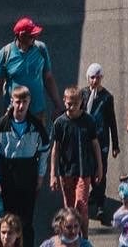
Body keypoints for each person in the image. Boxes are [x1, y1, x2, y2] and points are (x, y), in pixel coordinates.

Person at [0, 87, 50, 247]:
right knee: (5, 220)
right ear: (11, 102)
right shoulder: (2, 125)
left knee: (26, 222)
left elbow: (44, 151)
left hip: (28, 179)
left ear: (29, 103)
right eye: (18, 102)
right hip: (7, 180)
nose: (21, 106)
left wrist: (41, 176)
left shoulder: (36, 126)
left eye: (24, 102)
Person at [0, 19, 63, 133]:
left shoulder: (41, 49)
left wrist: (58, 105)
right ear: (21, 35)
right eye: (32, 36)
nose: (35, 38)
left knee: (37, 146)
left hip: (37, 111)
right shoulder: (5, 53)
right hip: (14, 113)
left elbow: (48, 78)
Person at [50, 86, 104, 216]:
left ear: (82, 102)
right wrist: (53, 174)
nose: (72, 107)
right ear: (64, 101)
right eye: (69, 104)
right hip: (66, 171)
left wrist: (99, 167)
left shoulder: (88, 121)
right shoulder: (59, 123)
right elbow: (55, 149)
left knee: (81, 206)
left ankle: (83, 236)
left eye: (76, 104)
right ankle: (71, 235)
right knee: (69, 209)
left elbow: (95, 145)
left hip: (84, 171)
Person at [84, 63, 120, 220]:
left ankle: (100, 203)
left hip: (102, 141)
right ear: (88, 78)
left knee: (101, 171)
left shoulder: (107, 97)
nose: (95, 80)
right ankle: (94, 193)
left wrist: (116, 145)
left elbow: (112, 121)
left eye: (98, 77)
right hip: (86, 141)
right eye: (92, 77)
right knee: (88, 170)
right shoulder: (83, 94)